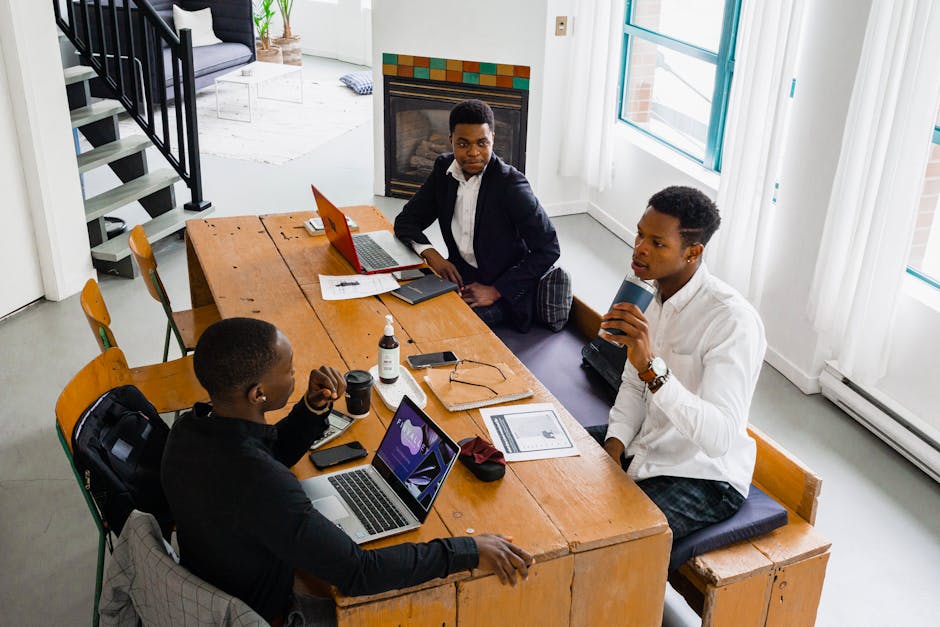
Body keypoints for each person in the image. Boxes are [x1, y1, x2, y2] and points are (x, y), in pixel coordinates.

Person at [162, 317, 533, 626]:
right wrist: (467, 549)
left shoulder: (189, 430)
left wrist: (310, 409)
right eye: (288, 370)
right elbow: (360, 572)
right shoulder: (260, 483)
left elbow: (264, 451)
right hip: (264, 614)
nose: (295, 374)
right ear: (259, 394)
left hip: (218, 579)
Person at [589, 186, 767, 541]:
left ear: (693, 252)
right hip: (645, 444)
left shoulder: (732, 321)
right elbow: (632, 384)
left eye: (657, 243)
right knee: (549, 463)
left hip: (702, 474)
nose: (639, 248)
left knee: (609, 541)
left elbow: (718, 438)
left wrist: (651, 368)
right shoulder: (648, 294)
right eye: (640, 233)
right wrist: (613, 446)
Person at [393, 99, 560, 331]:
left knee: (443, 325)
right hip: (461, 278)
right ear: (450, 140)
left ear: (492, 138)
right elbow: (406, 221)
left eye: (482, 143)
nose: (473, 153)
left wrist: (496, 290)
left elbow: (549, 248)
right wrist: (432, 254)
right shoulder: (444, 170)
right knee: (400, 308)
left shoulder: (512, 186)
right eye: (463, 144)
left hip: (503, 293)